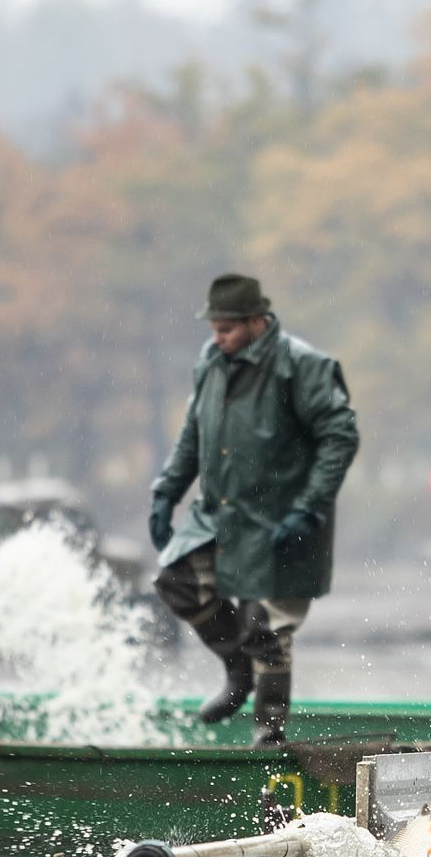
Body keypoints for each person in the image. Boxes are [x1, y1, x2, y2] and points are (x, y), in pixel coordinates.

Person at [149, 273, 359, 748]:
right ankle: (235, 668)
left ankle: (269, 734)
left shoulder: (301, 367)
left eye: (225, 328)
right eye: (213, 327)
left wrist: (308, 507)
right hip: (222, 513)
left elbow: (340, 436)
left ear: (257, 321)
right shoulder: (211, 363)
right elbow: (193, 435)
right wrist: (166, 491)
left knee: (267, 627)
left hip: (284, 520)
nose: (216, 336)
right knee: (177, 580)